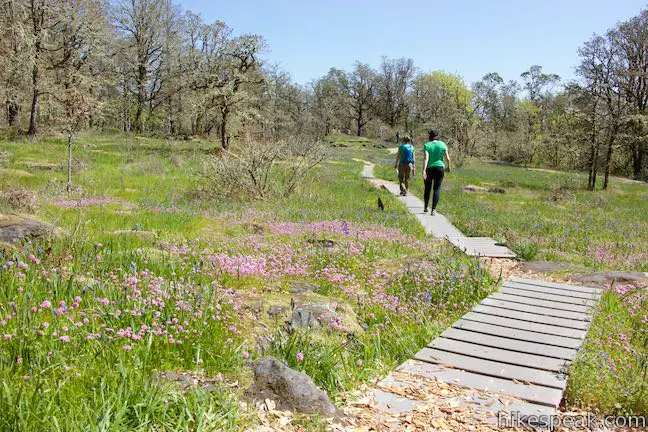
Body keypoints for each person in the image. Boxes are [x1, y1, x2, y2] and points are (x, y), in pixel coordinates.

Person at [422, 129, 451, 215]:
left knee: (427, 188)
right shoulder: (443, 144)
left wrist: (424, 170)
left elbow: (425, 158)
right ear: (437, 136)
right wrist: (449, 167)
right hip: (440, 168)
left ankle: (426, 207)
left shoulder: (427, 145)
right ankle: (433, 210)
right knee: (437, 188)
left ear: (430, 136)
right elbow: (448, 159)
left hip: (429, 168)